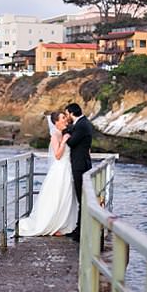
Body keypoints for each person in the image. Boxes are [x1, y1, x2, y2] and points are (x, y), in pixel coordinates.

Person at [17, 112, 79, 237]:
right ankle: (53, 224)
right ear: (56, 122)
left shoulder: (64, 133)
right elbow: (57, 155)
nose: (65, 119)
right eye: (62, 118)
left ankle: (63, 224)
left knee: (66, 196)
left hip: (67, 168)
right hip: (59, 169)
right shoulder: (55, 135)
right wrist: (64, 142)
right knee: (57, 197)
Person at [64, 102, 93, 241]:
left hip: (80, 165)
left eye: (66, 114)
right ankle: (78, 228)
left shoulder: (81, 125)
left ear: (71, 113)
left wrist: (64, 131)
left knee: (81, 198)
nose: (66, 117)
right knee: (81, 198)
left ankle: (80, 231)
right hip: (82, 163)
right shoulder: (83, 123)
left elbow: (71, 142)